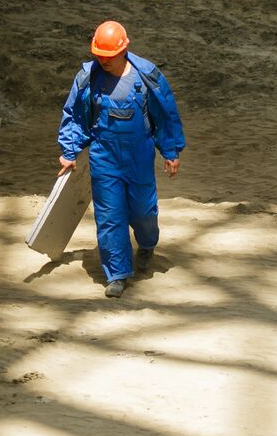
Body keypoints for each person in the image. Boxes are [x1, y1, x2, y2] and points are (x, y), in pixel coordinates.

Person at [57, 21, 186, 298]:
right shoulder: (87, 78)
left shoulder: (147, 76)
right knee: (110, 216)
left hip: (139, 154)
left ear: (123, 50)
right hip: (104, 155)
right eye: (99, 55)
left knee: (143, 211)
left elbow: (165, 114)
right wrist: (69, 152)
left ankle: (147, 243)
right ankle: (116, 274)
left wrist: (171, 151)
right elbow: (75, 116)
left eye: (108, 55)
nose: (103, 60)